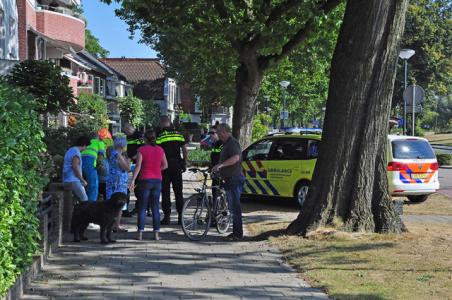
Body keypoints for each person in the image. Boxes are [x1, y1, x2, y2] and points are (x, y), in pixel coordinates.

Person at [130, 130, 168, 241]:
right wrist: (156, 170)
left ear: (145, 139)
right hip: (157, 181)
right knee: (155, 207)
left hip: (144, 180)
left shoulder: (141, 150)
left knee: (142, 207)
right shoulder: (160, 149)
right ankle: (156, 234)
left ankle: (140, 234)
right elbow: (165, 165)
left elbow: (137, 166)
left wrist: (132, 180)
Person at [212, 123, 245, 240]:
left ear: (225, 132)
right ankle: (236, 233)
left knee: (235, 208)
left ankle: (238, 234)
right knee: (232, 207)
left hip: (234, 179)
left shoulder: (232, 143)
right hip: (229, 179)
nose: (218, 135)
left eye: (219, 133)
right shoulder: (226, 144)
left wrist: (221, 165)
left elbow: (236, 158)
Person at [156, 115, 188, 225]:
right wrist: (184, 162)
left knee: (165, 192)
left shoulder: (160, 136)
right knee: (178, 191)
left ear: (162, 123)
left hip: (164, 166)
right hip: (177, 164)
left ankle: (167, 216)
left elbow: (158, 152)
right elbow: (184, 150)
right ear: (169, 123)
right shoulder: (179, 134)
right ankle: (180, 217)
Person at [106, 136, 131, 232]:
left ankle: (110, 224)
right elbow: (126, 168)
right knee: (120, 203)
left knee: (111, 202)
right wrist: (128, 162)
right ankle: (116, 226)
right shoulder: (118, 155)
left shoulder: (113, 153)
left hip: (113, 181)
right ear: (122, 145)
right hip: (118, 182)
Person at [123, 123, 144, 217]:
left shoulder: (138, 135)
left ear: (131, 128)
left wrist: (133, 157)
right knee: (135, 186)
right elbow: (129, 149)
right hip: (132, 162)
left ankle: (140, 207)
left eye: (126, 130)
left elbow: (142, 149)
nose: (125, 132)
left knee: (138, 187)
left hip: (138, 162)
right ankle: (139, 207)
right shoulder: (129, 137)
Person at [63, 136, 91, 202]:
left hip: (66, 179)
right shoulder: (76, 152)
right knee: (85, 200)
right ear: (84, 145)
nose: (86, 148)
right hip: (73, 180)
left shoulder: (70, 150)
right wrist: (82, 180)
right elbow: (75, 166)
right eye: (86, 146)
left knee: (76, 201)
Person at [81, 133, 105, 202]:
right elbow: (100, 157)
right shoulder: (99, 143)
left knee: (84, 187)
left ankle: (83, 205)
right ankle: (90, 207)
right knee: (93, 187)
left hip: (79, 165)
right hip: (90, 165)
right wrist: (99, 166)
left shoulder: (86, 143)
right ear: (97, 137)